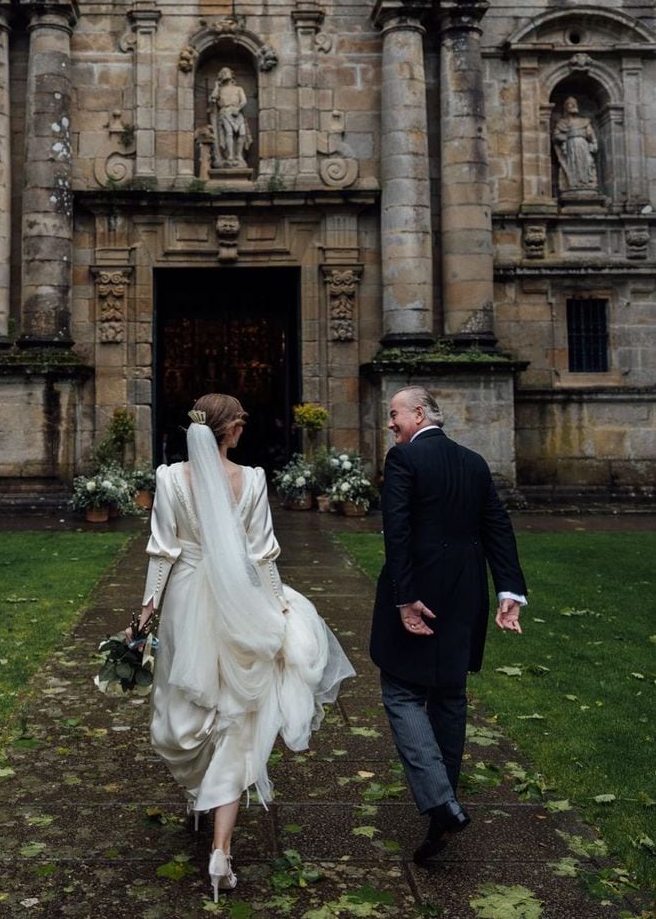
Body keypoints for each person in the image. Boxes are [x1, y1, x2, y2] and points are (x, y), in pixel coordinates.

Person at [133, 394, 354, 900]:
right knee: (240, 712)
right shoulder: (253, 479)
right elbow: (262, 555)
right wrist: (277, 609)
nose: (244, 428)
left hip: (186, 597)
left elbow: (162, 553)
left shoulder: (169, 479)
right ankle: (221, 851)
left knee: (185, 707)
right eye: (240, 423)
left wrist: (145, 615)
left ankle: (201, 800)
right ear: (228, 429)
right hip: (239, 601)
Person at [369, 386, 527, 864]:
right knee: (450, 698)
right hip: (465, 597)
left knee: (401, 692)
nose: (390, 424)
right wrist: (509, 592)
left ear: (418, 414)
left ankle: (441, 803)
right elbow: (497, 527)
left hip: (420, 595)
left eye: (394, 414)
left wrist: (405, 600)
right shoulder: (474, 461)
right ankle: (444, 816)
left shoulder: (404, 462)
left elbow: (396, 532)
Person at [553, 95, 598, 192]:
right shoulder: (562, 122)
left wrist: (594, 143)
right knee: (573, 164)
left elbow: (591, 135)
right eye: (570, 104)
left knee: (586, 163)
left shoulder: (584, 121)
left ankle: (585, 183)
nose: (572, 106)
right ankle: (573, 184)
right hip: (571, 146)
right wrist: (567, 137)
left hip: (583, 145)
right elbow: (556, 135)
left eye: (574, 104)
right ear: (565, 107)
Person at [209, 68, 252, 168]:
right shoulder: (220, 89)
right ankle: (230, 155)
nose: (225, 73)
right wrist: (216, 86)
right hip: (225, 112)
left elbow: (244, 101)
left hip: (236, 111)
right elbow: (213, 98)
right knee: (229, 133)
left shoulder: (238, 88)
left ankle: (239, 155)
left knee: (242, 133)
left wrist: (238, 109)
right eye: (223, 72)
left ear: (232, 74)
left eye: (227, 71)